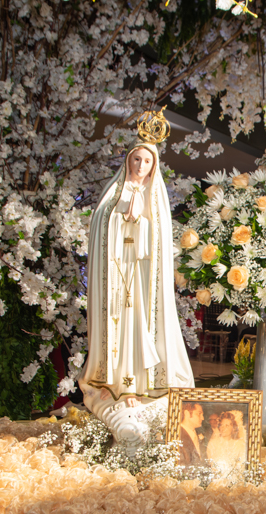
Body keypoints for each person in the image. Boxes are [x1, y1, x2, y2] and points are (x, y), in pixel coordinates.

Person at [79, 113, 194, 453]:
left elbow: (158, 239)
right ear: (128, 160)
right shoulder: (114, 194)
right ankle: (115, 382)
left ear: (153, 166)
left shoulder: (154, 197)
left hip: (141, 276)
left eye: (147, 161)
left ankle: (138, 385)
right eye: (137, 159)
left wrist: (140, 223)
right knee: (118, 325)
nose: (141, 166)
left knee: (138, 325)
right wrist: (121, 217)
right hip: (117, 272)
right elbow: (102, 226)